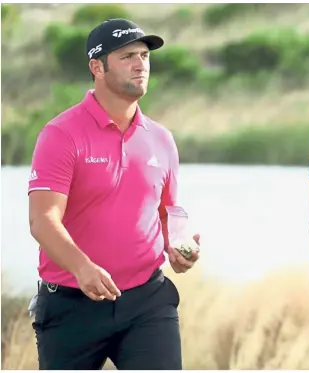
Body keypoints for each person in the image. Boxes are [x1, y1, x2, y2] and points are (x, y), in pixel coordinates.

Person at [27, 18, 199, 370]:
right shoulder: (61, 134)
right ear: (97, 67)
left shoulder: (161, 138)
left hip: (147, 301)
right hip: (72, 305)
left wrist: (177, 246)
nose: (140, 64)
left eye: (144, 56)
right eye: (127, 56)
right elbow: (42, 220)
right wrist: (82, 268)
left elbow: (167, 213)